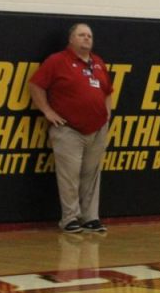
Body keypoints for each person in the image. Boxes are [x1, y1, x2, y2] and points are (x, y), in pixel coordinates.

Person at [29, 23, 114, 235]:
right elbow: (35, 85)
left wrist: (106, 114)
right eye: (81, 35)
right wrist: (47, 111)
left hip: (96, 128)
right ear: (71, 39)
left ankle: (91, 217)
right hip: (68, 129)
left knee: (91, 175)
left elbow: (108, 91)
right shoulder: (57, 61)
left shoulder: (98, 63)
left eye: (89, 35)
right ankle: (69, 218)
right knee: (70, 175)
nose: (86, 38)